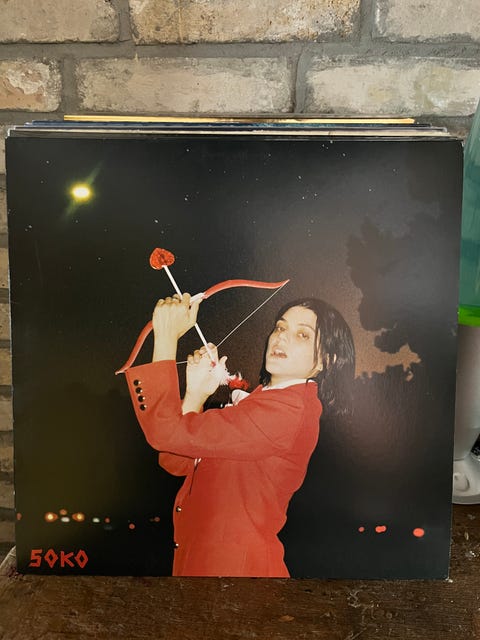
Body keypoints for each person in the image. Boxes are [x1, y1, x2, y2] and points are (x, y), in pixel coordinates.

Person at [125, 293, 355, 577]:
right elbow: (175, 460)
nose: (282, 337)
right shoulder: (264, 404)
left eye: (302, 335)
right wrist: (195, 394)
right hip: (206, 569)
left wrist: (166, 337)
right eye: (280, 327)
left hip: (235, 577)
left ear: (326, 360)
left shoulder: (289, 411)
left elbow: (164, 432)